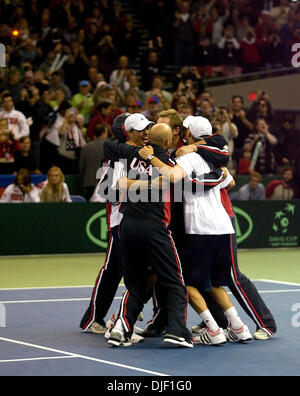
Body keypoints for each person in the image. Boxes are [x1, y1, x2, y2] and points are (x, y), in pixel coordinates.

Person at [139, 119, 252, 345]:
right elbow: (229, 181)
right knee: (216, 283)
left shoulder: (187, 157)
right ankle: (239, 327)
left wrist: (150, 157)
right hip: (223, 227)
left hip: (200, 228)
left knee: (186, 283)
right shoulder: (215, 158)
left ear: (188, 133)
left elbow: (172, 177)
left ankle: (213, 330)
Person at [105, 113, 193, 348]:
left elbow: (120, 181)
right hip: (154, 227)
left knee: (134, 284)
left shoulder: (130, 154)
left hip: (128, 225)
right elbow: (173, 179)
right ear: (168, 142)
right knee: (175, 281)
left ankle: (121, 328)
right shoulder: (167, 159)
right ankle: (177, 331)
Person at [79, 124, 108, 201]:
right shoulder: (108, 147)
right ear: (103, 133)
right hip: (105, 182)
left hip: (88, 182)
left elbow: (81, 167)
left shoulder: (85, 147)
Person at [57, 107, 86, 174]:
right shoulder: (64, 125)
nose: (72, 116)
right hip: (64, 158)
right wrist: (66, 119)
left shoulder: (78, 129)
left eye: (74, 114)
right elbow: (61, 133)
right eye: (70, 114)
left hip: (76, 159)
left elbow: (83, 143)